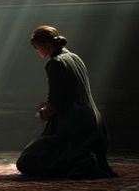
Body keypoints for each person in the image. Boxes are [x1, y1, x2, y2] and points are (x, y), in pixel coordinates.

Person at [16, 25, 117, 179]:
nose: (37, 52)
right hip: (93, 120)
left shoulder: (55, 63)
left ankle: (82, 163)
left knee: (26, 162)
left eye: (37, 48)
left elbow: (56, 101)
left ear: (46, 45)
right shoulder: (74, 57)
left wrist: (43, 113)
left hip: (73, 123)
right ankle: (82, 160)